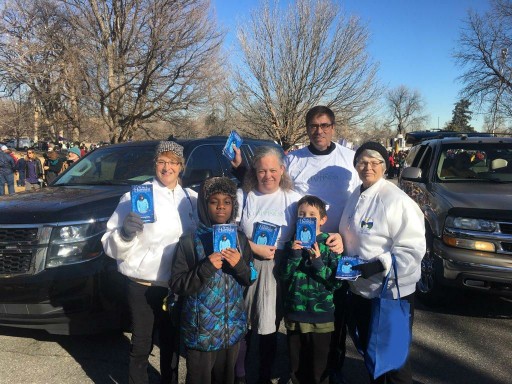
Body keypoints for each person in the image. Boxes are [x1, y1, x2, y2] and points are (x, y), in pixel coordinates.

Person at [102, 141, 197, 384]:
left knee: (171, 344)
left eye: (173, 162)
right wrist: (124, 233)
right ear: (154, 164)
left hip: (175, 287)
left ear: (181, 166)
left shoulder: (192, 199)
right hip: (142, 284)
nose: (167, 168)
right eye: (161, 162)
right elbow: (108, 242)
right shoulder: (134, 197)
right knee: (141, 344)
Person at [338, 141, 426, 384]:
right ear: (355, 166)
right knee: (372, 355)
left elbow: (413, 248)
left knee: (395, 361)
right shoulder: (356, 195)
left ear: (384, 165)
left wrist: (378, 265)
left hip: (391, 294)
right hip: (361, 290)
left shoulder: (397, 201)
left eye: (375, 162)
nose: (368, 167)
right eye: (362, 162)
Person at [169, 176, 255, 384]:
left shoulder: (240, 240)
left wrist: (239, 266)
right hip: (201, 334)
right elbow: (177, 283)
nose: (220, 208)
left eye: (227, 202)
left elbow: (250, 278)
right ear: (204, 205)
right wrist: (205, 268)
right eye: (214, 201)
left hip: (230, 332)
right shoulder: (189, 242)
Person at [235, 145, 303, 384]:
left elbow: (310, 228)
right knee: (243, 322)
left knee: (270, 322)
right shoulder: (244, 196)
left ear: (282, 170)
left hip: (279, 266)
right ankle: (240, 373)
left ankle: (264, 374)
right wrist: (254, 248)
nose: (268, 176)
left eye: (273, 170)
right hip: (247, 262)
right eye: (262, 171)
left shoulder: (293, 199)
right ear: (255, 171)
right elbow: (231, 232)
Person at [281, 195, 343, 384]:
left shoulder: (329, 245)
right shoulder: (291, 244)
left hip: (321, 315)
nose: (306, 218)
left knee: (319, 368)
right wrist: (294, 254)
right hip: (296, 314)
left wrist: (317, 263)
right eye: (301, 214)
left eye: (311, 214)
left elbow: (336, 283)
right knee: (296, 367)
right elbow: (283, 276)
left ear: (323, 220)